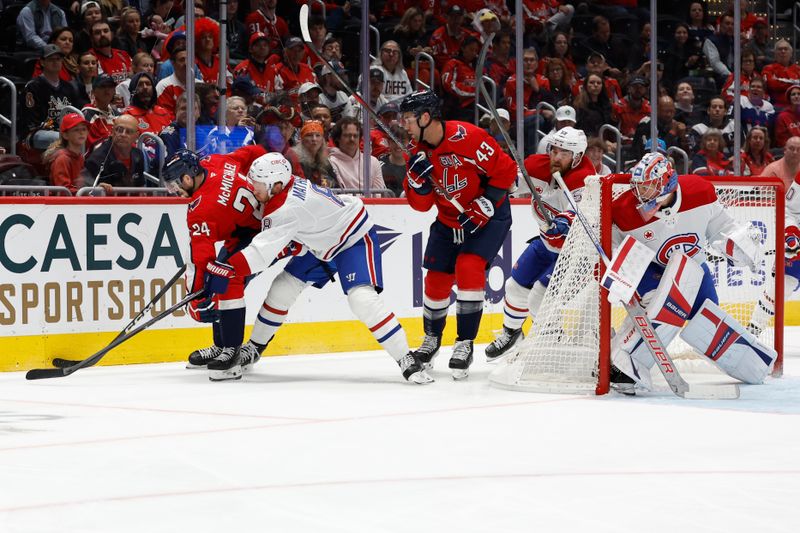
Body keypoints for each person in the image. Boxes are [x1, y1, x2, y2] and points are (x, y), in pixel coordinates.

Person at [197, 152, 434, 384]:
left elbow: (259, 254)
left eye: (257, 184)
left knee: (361, 299)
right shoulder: (284, 190)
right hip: (321, 244)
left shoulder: (284, 209)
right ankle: (254, 348)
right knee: (282, 288)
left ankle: (406, 358)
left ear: (276, 185)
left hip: (353, 239)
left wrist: (225, 267)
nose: (252, 188)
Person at [607, 152, 774, 394]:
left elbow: (722, 227)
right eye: (639, 187)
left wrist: (740, 244)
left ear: (668, 183)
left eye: (650, 186)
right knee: (660, 306)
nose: (642, 194)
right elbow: (612, 245)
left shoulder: (699, 192)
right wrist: (617, 267)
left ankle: (752, 364)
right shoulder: (624, 209)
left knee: (708, 321)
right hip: (651, 269)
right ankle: (623, 361)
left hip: (694, 267)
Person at [400, 90, 517, 379]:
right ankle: (431, 338)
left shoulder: (469, 136)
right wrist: (416, 184)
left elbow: (506, 170)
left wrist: (486, 203)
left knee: (468, 266)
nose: (404, 125)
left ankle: (464, 342)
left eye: (409, 119)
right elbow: (422, 205)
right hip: (449, 219)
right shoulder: (416, 152)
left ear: (426, 117)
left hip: (489, 216)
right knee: (436, 279)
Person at [484, 126, 595, 361]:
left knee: (539, 297)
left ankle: (555, 342)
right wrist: (497, 176)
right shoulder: (537, 166)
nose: (555, 156)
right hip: (546, 244)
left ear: (577, 157)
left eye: (563, 153)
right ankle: (512, 333)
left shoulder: (584, 178)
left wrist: (565, 223)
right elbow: (510, 184)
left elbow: (580, 215)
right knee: (514, 287)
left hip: (575, 253)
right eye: (554, 150)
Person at [160, 144, 269, 380]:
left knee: (226, 280)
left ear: (188, 178)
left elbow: (202, 260)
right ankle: (221, 347)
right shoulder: (214, 161)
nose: (173, 190)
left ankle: (232, 352)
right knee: (217, 281)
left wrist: (197, 300)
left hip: (264, 235)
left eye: (175, 184)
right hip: (246, 232)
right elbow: (256, 151)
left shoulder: (200, 209)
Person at [22, 44, 81, 151]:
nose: (55, 62)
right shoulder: (33, 87)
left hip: (64, 131)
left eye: (58, 59)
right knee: (68, 139)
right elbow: (31, 122)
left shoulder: (69, 87)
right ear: (42, 62)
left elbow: (76, 115)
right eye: (51, 59)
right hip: (37, 133)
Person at [80, 114, 146, 192]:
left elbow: (140, 187)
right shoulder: (97, 158)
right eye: (119, 130)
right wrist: (97, 189)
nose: (123, 134)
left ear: (136, 136)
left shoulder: (138, 155)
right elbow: (84, 190)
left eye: (128, 132)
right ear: (112, 131)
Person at [328, 116, 385, 191]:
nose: (352, 139)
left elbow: (379, 193)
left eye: (355, 136)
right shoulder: (330, 162)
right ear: (337, 138)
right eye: (347, 135)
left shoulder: (373, 161)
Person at [45, 112, 89, 194]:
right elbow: (63, 190)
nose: (81, 133)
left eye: (84, 129)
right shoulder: (62, 158)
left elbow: (83, 185)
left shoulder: (80, 157)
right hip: (62, 206)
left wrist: (97, 187)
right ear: (65, 135)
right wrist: (86, 193)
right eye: (76, 129)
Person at [296, 120, 337, 188]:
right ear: (302, 139)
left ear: (322, 140)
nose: (314, 139)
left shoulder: (326, 163)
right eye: (309, 135)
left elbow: (336, 185)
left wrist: (330, 183)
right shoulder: (296, 161)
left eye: (318, 135)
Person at [82, 74, 121, 146]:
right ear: (93, 92)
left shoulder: (118, 115)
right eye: (102, 87)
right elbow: (93, 146)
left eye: (110, 86)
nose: (107, 90)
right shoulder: (88, 114)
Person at [762, 40, 800, 109]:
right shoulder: (768, 69)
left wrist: (780, 82)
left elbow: (777, 85)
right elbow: (773, 85)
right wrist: (794, 83)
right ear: (775, 54)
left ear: (791, 53)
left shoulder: (798, 69)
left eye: (786, 49)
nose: (783, 51)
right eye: (780, 49)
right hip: (778, 106)